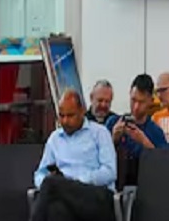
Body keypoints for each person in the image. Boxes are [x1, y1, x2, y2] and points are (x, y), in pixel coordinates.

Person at [31, 90, 117, 221]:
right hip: (65, 197)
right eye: (61, 116)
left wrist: (78, 181)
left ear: (82, 111)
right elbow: (40, 173)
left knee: (51, 183)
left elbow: (110, 172)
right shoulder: (55, 139)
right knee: (57, 210)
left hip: (95, 196)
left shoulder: (99, 133)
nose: (65, 121)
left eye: (70, 115)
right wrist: (53, 183)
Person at [105, 74, 168, 186]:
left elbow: (164, 166)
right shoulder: (113, 122)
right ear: (129, 94)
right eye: (133, 100)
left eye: (141, 102)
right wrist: (113, 139)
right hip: (115, 185)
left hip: (144, 186)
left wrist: (144, 142)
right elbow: (98, 158)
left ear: (151, 101)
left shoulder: (156, 132)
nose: (136, 107)